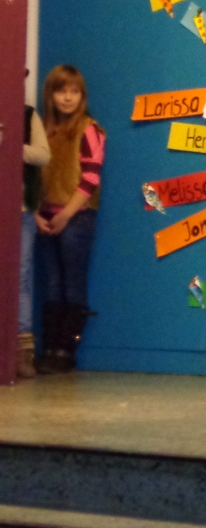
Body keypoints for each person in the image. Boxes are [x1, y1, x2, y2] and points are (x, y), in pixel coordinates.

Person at [35, 65, 105, 374]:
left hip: (76, 216)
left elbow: (90, 178)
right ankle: (49, 347)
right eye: (61, 91)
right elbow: (30, 178)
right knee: (51, 282)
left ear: (82, 96)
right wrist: (36, 214)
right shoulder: (43, 130)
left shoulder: (89, 129)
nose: (67, 98)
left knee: (72, 281)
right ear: (50, 94)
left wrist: (65, 214)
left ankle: (66, 351)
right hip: (45, 216)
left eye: (74, 92)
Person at [18, 89, 50, 378]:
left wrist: (12, 146)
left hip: (20, 210)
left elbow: (43, 154)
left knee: (21, 277)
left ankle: (22, 350)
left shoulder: (27, 115)